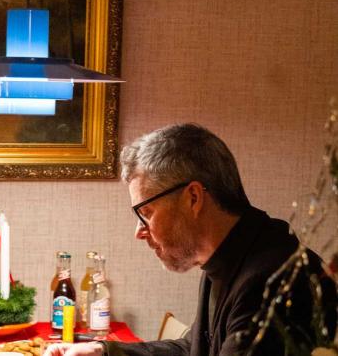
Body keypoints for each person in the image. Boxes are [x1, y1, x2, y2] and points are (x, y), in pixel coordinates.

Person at [45, 123, 336, 356]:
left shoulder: (270, 281)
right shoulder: (229, 255)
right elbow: (192, 349)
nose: (139, 231)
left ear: (193, 198)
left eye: (146, 212)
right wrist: (103, 351)